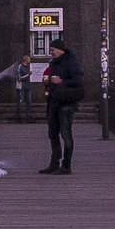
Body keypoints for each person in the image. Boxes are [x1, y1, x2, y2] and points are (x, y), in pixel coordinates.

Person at [41, 38, 84, 173]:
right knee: (52, 134)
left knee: (65, 134)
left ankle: (66, 165)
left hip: (67, 103)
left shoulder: (71, 63)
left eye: (53, 50)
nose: (51, 52)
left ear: (60, 50)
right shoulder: (54, 64)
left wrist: (62, 81)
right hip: (54, 101)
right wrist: (48, 83)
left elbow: (78, 81)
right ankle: (54, 163)